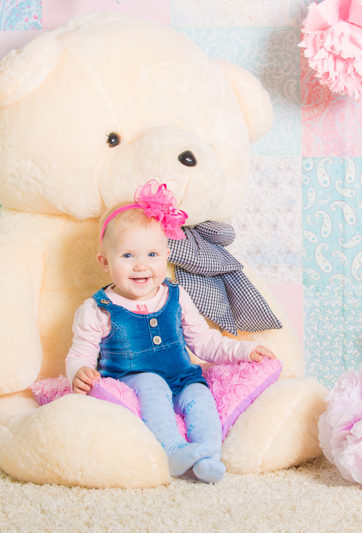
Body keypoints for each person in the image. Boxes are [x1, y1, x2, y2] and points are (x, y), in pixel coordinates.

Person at [65, 180, 275, 483]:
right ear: (105, 262)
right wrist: (79, 371)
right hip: (132, 378)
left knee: (200, 396)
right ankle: (172, 449)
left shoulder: (176, 296)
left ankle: (208, 453)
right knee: (151, 385)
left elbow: (204, 341)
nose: (141, 266)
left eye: (152, 255)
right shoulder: (98, 308)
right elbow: (80, 352)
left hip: (180, 376)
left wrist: (245, 349)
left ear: (166, 256)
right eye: (127, 256)